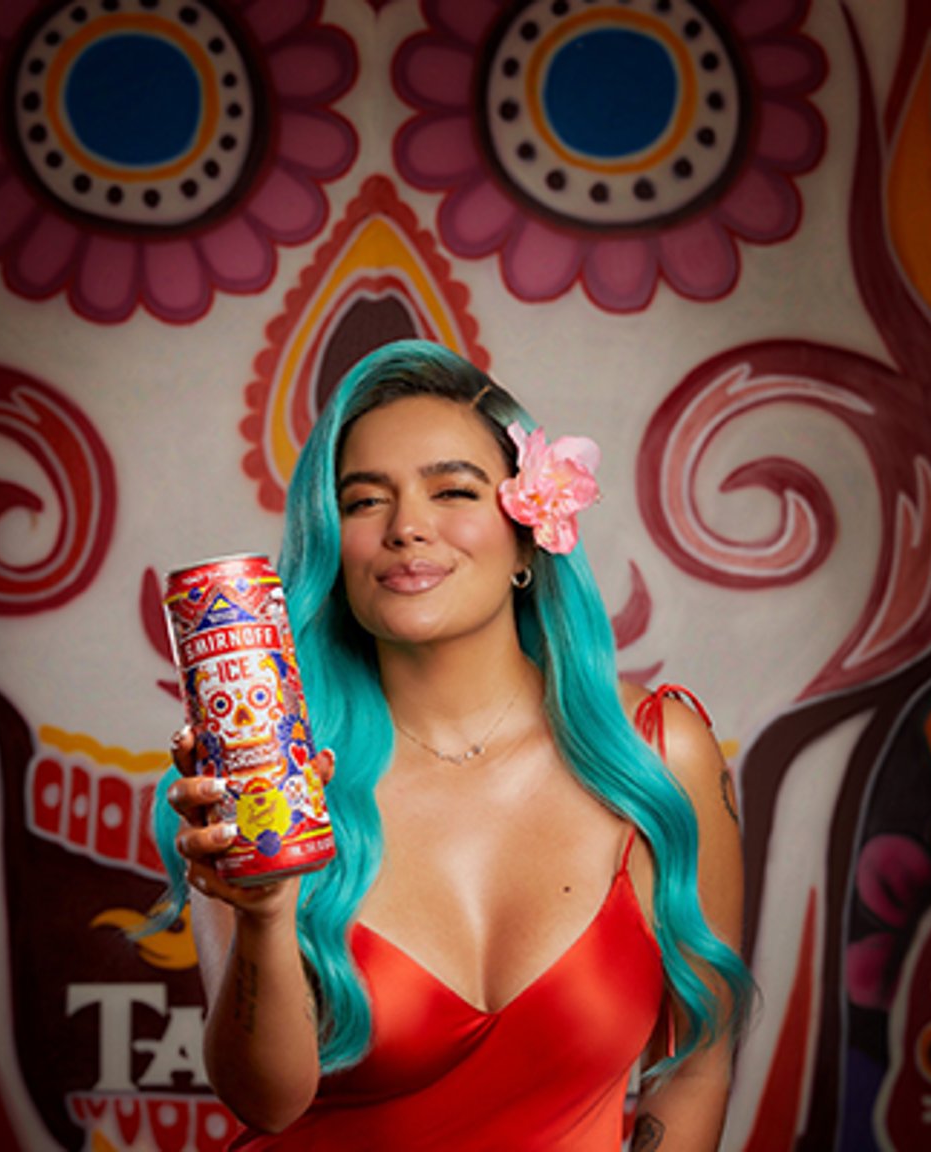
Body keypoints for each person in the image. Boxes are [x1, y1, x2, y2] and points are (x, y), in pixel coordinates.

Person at [152, 340, 752, 1150]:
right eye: (364, 502)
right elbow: (264, 1103)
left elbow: (698, 1064)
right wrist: (264, 914)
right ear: (333, 547)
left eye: (453, 490)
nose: (406, 528)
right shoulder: (267, 778)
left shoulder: (659, 754)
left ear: (529, 533)